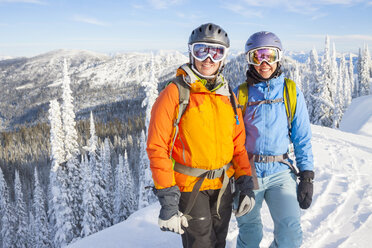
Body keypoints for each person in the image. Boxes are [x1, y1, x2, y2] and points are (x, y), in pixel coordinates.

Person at [146, 23, 255, 248]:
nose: (208, 58)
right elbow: (157, 147)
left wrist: (245, 183)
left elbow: (238, 146)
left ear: (224, 58)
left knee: (219, 242)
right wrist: (168, 198)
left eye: (216, 52)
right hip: (191, 187)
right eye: (201, 50)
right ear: (191, 53)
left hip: (223, 186)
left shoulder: (228, 96)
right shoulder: (175, 93)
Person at [234, 31, 314, 248]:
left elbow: (302, 136)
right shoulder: (241, 94)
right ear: (249, 60)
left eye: (269, 56)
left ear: (278, 58)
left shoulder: (290, 91)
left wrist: (306, 176)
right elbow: (230, 139)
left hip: (280, 171)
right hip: (248, 172)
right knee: (250, 232)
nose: (263, 63)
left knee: (290, 233)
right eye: (256, 57)